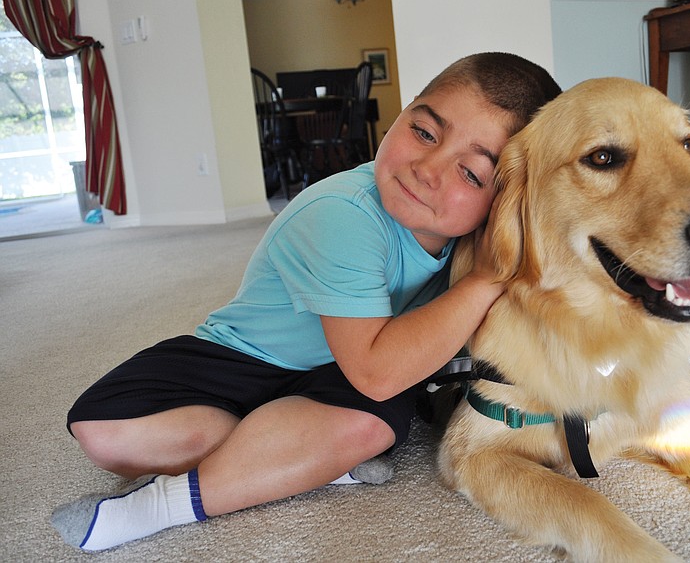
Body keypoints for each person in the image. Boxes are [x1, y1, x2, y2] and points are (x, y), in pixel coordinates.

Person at [51, 52, 562, 552]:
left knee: (367, 424)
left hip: (342, 370)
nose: (428, 168)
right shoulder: (342, 214)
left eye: (470, 173)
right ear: (402, 113)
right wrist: (484, 281)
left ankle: (163, 505)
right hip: (243, 355)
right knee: (100, 432)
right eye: (424, 132)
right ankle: (303, 459)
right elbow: (378, 374)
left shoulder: (476, 236)